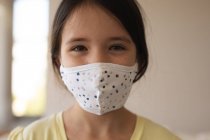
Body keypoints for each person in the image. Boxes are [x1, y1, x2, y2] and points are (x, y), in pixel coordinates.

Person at [8, 0, 180, 139]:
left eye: (117, 47)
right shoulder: (30, 137)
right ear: (58, 60)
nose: (98, 64)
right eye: (79, 48)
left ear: (139, 58)